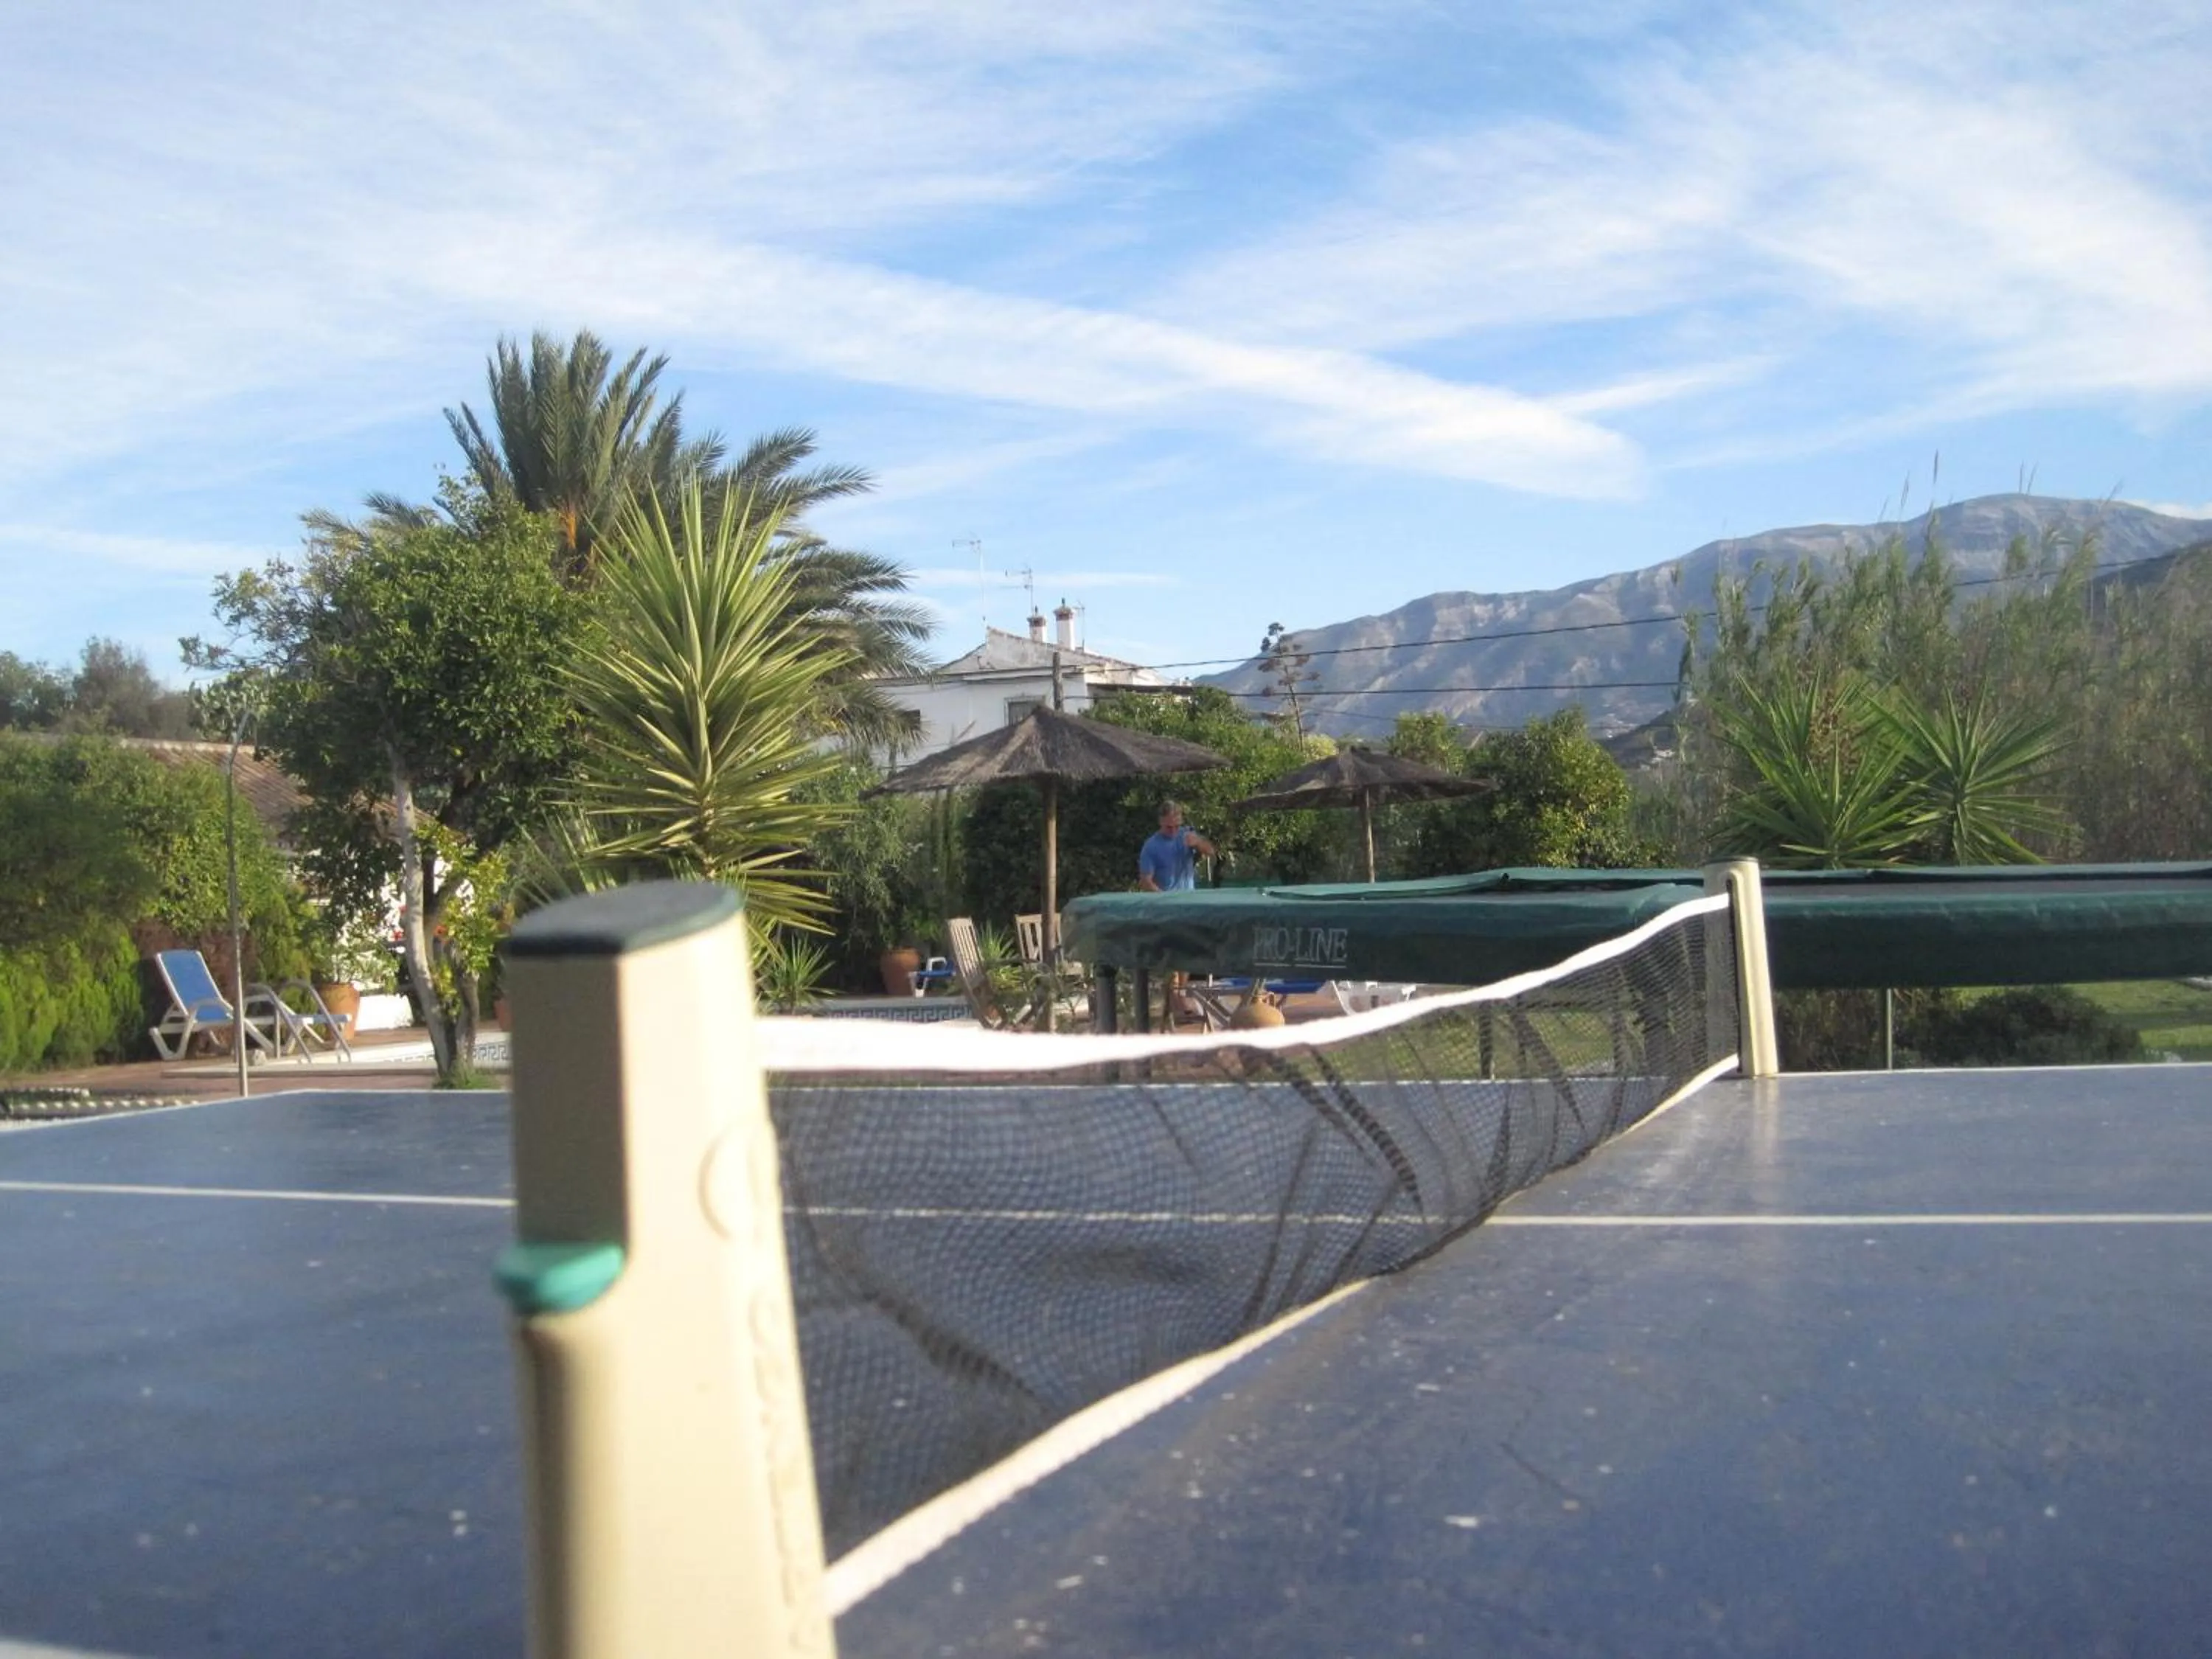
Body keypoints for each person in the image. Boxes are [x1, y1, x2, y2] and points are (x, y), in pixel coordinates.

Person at [1138, 801, 1215, 892]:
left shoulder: (1186, 835)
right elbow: (1146, 882)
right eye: (1169, 827)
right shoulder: (1151, 846)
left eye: (1177, 826)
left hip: (1189, 898)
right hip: (1166, 900)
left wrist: (1198, 843)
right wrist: (1163, 898)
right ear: (1160, 822)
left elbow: (1210, 852)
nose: (1174, 831)